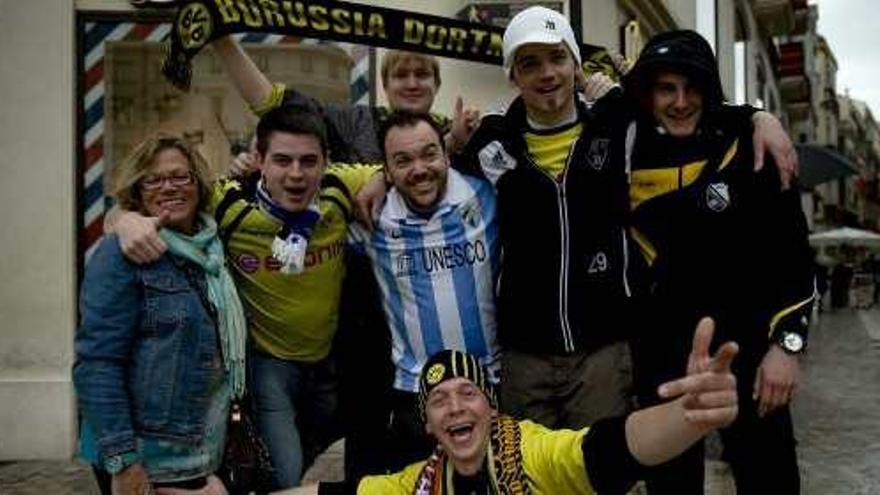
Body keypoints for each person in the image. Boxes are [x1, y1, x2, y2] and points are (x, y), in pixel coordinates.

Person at [443, 5, 800, 434]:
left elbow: (691, 105)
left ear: (575, 64)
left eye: (558, 58)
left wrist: (758, 116)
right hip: (525, 352)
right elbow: (420, 171)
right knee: (529, 476)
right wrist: (426, 156)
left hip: (604, 351)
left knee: (604, 474)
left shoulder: (619, 125)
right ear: (512, 74)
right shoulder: (488, 142)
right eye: (529, 63)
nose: (547, 73)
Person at [212, 36, 479, 482]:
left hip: (428, 328)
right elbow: (272, 103)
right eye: (400, 74)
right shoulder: (353, 125)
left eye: (421, 74)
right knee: (360, 453)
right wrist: (222, 40)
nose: (411, 83)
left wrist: (455, 142)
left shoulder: (457, 133)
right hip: (359, 329)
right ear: (384, 82)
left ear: (436, 82)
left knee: (435, 458)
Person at [112, 108, 379, 490]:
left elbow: (395, 169)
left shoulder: (337, 188)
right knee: (284, 477)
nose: (296, 174)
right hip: (271, 368)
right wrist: (123, 220)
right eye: (282, 160)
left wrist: (379, 181)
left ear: (326, 163)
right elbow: (163, 200)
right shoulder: (229, 204)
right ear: (259, 162)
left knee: (331, 461)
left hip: (331, 368)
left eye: (309, 161)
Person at [622, 30, 815, 493]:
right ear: (648, 93)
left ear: (710, 90)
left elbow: (795, 259)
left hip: (750, 361)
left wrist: (786, 348)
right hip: (663, 366)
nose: (681, 102)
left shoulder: (752, 150)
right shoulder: (624, 151)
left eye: (693, 88)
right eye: (667, 88)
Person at [278, 317, 739, 495]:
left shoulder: (534, 455)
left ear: (492, 407)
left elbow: (614, 449)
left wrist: (686, 416)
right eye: (439, 400)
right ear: (429, 426)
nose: (455, 407)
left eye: (467, 393)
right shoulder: (418, 484)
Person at [73, 134, 246, 494]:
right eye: (154, 179)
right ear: (138, 193)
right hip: (147, 452)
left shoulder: (214, 251)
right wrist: (123, 462)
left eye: (181, 177)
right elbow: (97, 362)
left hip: (202, 447)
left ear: (198, 185)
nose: (169, 187)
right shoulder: (120, 254)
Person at [345, 110, 502, 473]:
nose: (419, 169)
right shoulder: (372, 218)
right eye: (402, 161)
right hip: (415, 394)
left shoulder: (485, 195)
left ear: (446, 153)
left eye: (429, 154)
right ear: (384, 170)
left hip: (490, 382)